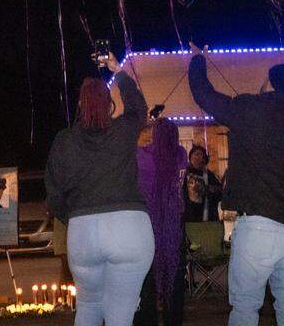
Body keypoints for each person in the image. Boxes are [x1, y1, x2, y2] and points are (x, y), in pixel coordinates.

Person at [188, 44, 284, 326]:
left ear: (271, 83)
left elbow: (204, 94)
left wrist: (198, 58)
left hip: (258, 225)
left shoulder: (252, 109)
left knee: (246, 307)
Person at [46, 53, 153, 326]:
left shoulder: (65, 140)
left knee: (89, 307)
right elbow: (139, 109)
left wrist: (72, 217)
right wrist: (118, 72)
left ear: (80, 105)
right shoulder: (122, 130)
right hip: (129, 226)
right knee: (121, 313)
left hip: (83, 230)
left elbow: (54, 190)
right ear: (109, 103)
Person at [135, 118, 187, 326]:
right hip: (174, 227)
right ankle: (172, 320)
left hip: (148, 226)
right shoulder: (181, 155)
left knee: (147, 280)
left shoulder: (143, 157)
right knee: (173, 279)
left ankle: (147, 321)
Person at [183, 145, 222, 223]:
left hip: (208, 218)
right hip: (190, 219)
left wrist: (210, 190)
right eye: (195, 155)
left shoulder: (209, 176)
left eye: (199, 155)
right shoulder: (185, 175)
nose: (197, 158)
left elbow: (219, 194)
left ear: (204, 159)